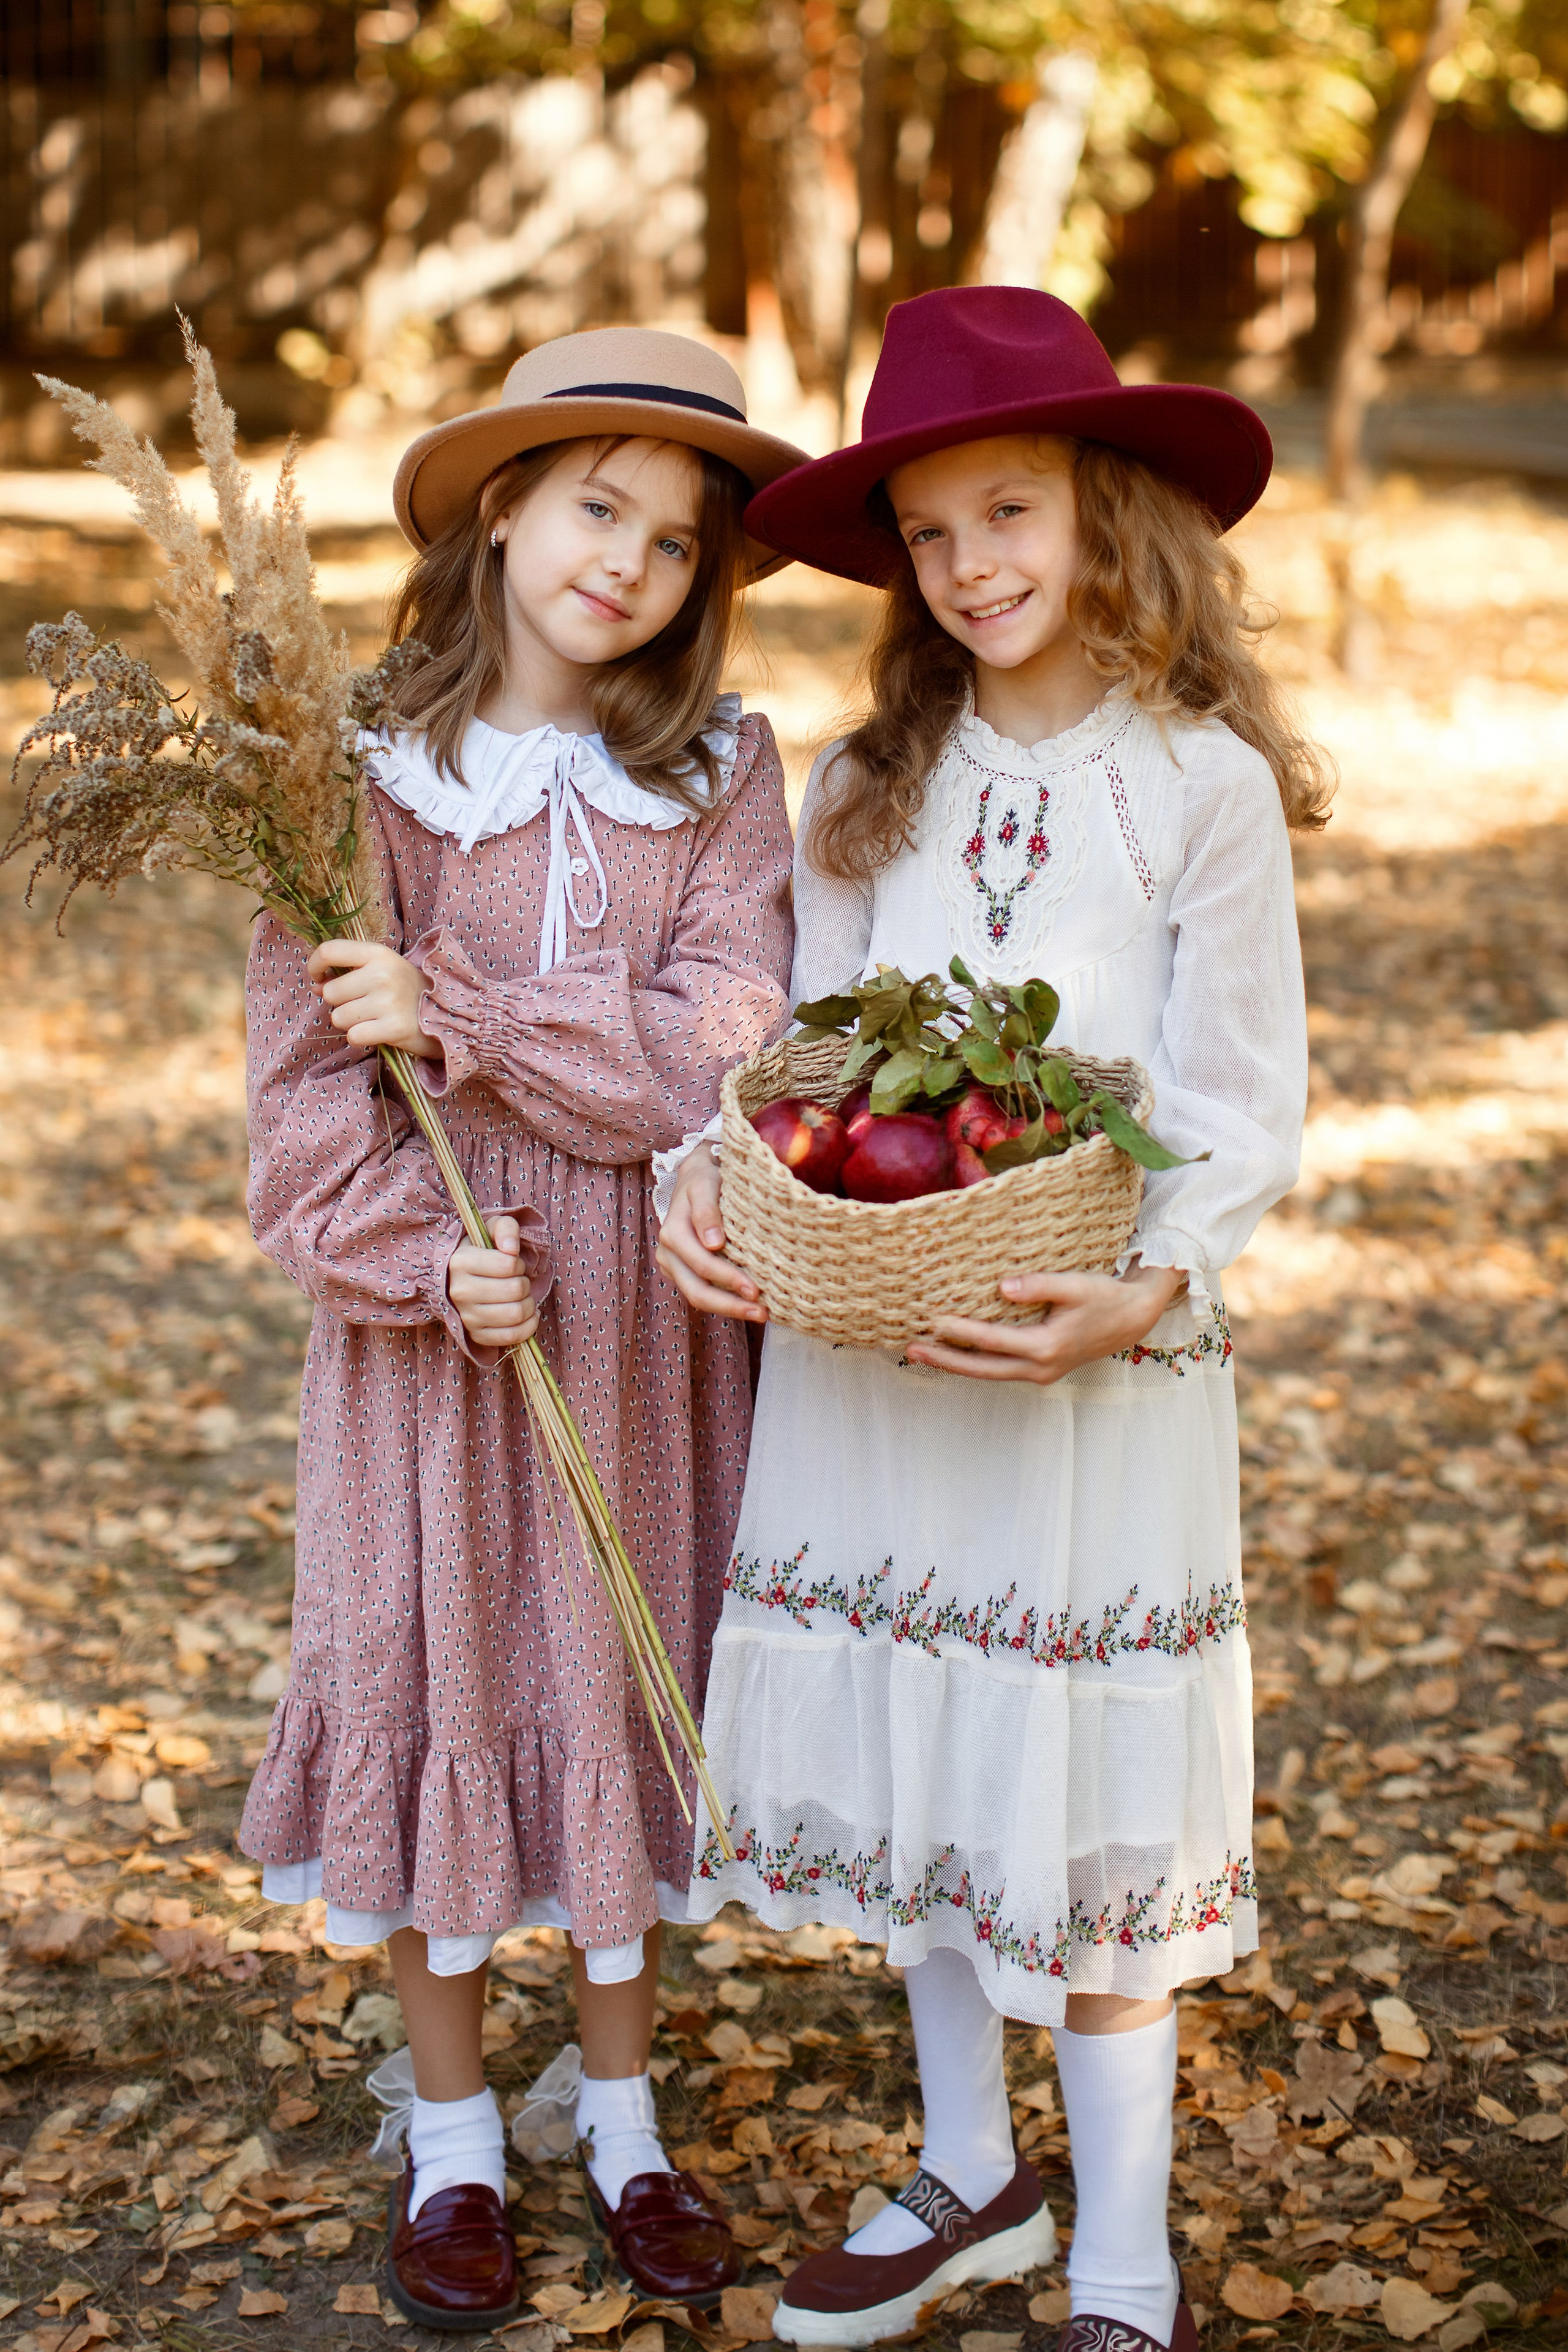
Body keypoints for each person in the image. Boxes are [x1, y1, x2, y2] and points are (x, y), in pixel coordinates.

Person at [657, 286, 1327, 2352]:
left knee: (1086, 1799)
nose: (970, 566)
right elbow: (813, 1063)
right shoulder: (872, 782)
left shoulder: (1197, 787)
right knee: (929, 1763)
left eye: (1009, 512)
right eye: (931, 534)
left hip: (1097, 1365)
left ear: (1108, 511)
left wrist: (1136, 1293)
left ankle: (1126, 2259)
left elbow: (1241, 1106)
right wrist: (718, 1187)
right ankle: (974, 2172)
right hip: (884, 1350)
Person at [238, 328, 805, 2332]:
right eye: (596, 509)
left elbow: (721, 1041)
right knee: (452, 1675)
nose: (628, 565)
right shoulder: (352, 787)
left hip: (645, 1317)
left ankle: (627, 2120)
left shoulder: (721, 775)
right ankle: (457, 2132)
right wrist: (421, 1259)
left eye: (675, 541)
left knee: (623, 1675)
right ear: (502, 508)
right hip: (442, 1333)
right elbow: (304, 1102)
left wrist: (469, 1018)